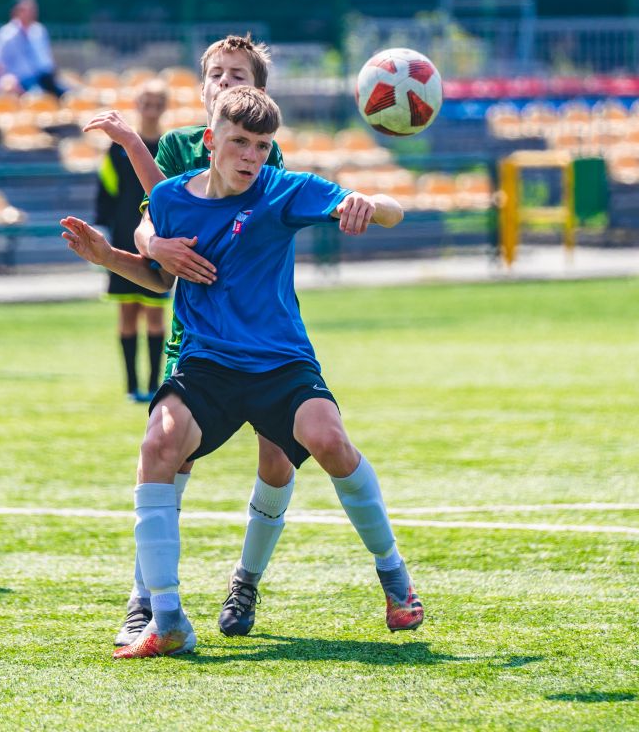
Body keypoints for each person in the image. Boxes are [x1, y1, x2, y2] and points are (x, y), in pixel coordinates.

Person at [61, 86, 423, 659]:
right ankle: (166, 614)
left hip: (280, 361)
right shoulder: (174, 199)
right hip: (209, 365)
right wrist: (107, 256)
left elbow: (390, 209)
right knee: (157, 446)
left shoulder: (285, 191)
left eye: (260, 145)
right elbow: (159, 275)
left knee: (330, 442)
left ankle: (394, 575)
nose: (250, 155)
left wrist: (368, 204)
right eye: (239, 142)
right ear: (211, 141)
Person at [81, 35, 296, 646]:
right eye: (217, 75)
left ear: (258, 91)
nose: (227, 83)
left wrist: (154, 240)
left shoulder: (263, 155)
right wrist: (143, 245)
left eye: (239, 75)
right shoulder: (176, 146)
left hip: (263, 334)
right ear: (202, 88)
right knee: (166, 454)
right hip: (196, 337)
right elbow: (163, 230)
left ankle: (246, 580)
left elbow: (191, 223)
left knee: (278, 458)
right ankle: (145, 597)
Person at [94, 81, 170, 402]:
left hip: (159, 240)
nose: (151, 110)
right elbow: (106, 193)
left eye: (157, 104)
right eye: (146, 103)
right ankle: (130, 386)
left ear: (164, 107)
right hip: (124, 237)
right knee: (127, 313)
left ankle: (154, 385)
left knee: (154, 314)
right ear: (138, 106)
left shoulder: (169, 147)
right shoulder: (117, 149)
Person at [0, 0, 66, 97]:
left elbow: (46, 59)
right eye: (24, 10)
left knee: (69, 95)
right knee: (38, 97)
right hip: (21, 81)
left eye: (32, 9)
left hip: (44, 78)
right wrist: (9, 80)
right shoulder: (6, 35)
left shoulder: (39, 31)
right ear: (15, 12)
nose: (30, 13)